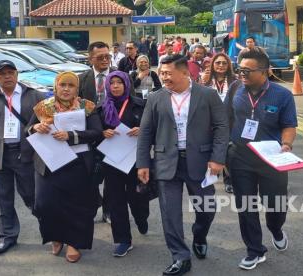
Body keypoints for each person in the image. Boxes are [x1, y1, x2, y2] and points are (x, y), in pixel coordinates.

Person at [137, 54, 229, 276]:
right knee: (170, 213)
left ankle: (199, 234)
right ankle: (180, 256)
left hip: (200, 161)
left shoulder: (207, 95)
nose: (164, 77)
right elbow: (146, 132)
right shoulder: (156, 97)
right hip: (166, 162)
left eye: (168, 73)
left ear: (185, 72)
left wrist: (218, 158)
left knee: (207, 208)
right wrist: (143, 163)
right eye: (161, 72)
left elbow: (221, 127)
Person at [227, 50, 297, 270]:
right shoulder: (235, 88)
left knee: (275, 206)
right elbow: (225, 119)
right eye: (239, 69)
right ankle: (255, 250)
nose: (242, 74)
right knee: (246, 206)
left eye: (247, 70)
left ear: (265, 71)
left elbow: (288, 125)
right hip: (240, 158)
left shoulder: (282, 95)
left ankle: (275, 228)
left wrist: (286, 145)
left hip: (271, 160)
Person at [29, 72, 103, 263]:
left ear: (77, 89)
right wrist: (35, 128)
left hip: (78, 163)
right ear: (56, 87)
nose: (66, 89)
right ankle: (56, 236)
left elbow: (96, 132)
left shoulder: (87, 107)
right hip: (49, 162)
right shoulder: (44, 107)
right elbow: (27, 129)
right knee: (45, 203)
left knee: (78, 205)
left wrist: (71, 135)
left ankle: (74, 243)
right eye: (63, 85)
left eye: (71, 86)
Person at [0, 60, 45, 255]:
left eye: (10, 72)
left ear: (17, 74)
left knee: (32, 195)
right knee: (2, 198)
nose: (7, 76)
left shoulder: (34, 96)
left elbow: (45, 122)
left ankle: (50, 230)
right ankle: (7, 237)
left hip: (26, 152)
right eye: (2, 73)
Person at [97, 71, 150, 257]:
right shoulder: (102, 108)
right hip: (111, 163)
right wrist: (103, 133)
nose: (116, 86)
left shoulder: (140, 105)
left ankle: (142, 218)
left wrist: (142, 129)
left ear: (127, 84)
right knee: (116, 202)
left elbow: (154, 127)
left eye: (120, 82)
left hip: (136, 162)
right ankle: (123, 240)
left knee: (138, 199)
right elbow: (94, 132)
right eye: (112, 83)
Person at [78, 41, 114, 223]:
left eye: (107, 56)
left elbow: (129, 103)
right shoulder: (81, 79)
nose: (105, 60)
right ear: (90, 58)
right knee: (89, 173)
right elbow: (76, 105)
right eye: (100, 57)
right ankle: (94, 204)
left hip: (113, 133)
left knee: (111, 175)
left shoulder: (119, 76)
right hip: (90, 133)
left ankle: (108, 209)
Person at [201, 53, 238, 194]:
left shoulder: (235, 81)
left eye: (224, 63)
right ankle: (211, 176)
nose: (221, 65)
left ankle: (229, 180)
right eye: (218, 63)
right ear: (213, 65)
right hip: (209, 121)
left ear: (228, 65)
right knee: (211, 149)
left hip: (230, 121)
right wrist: (202, 82)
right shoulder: (206, 80)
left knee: (229, 152)